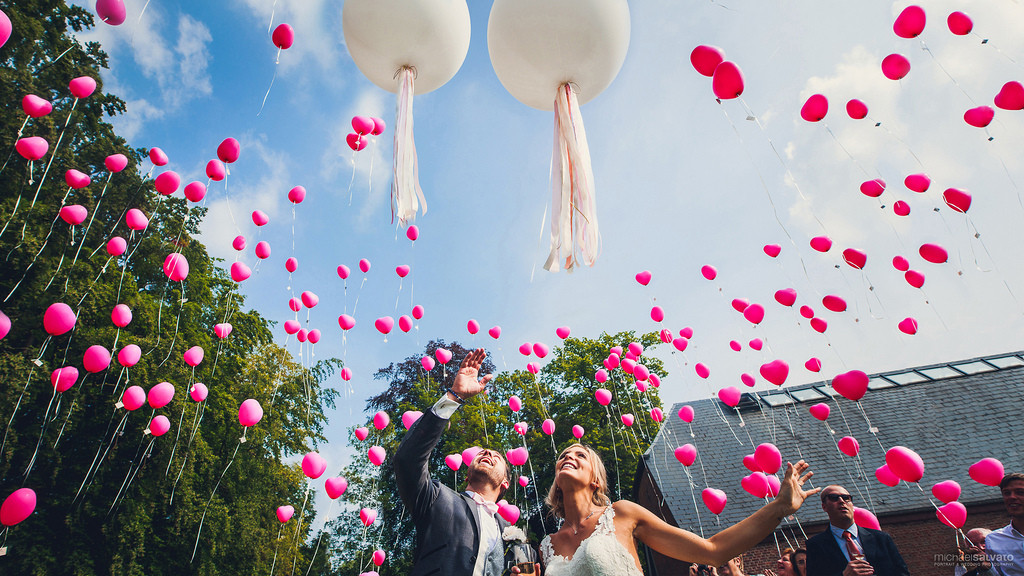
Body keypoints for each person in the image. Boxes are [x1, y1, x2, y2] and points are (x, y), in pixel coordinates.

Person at [539, 442, 820, 575]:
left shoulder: (622, 513)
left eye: (580, 455)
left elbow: (713, 550)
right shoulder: (547, 545)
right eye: (564, 455)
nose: (569, 457)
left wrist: (779, 507)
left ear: (595, 481)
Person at [394, 348, 532, 576]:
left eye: (496, 457)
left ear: (505, 483)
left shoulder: (511, 534)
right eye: (482, 454)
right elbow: (407, 460)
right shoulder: (435, 498)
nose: (487, 453)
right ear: (466, 475)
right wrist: (453, 397)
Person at [805, 485, 910, 576]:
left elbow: (902, 573)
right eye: (834, 498)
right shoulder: (816, 545)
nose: (841, 501)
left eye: (846, 498)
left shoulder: (881, 539)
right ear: (824, 506)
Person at [986, 473, 1024, 576]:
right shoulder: (993, 540)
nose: (1012, 497)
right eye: (1007, 493)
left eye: (1020, 492)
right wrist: (985, 568)